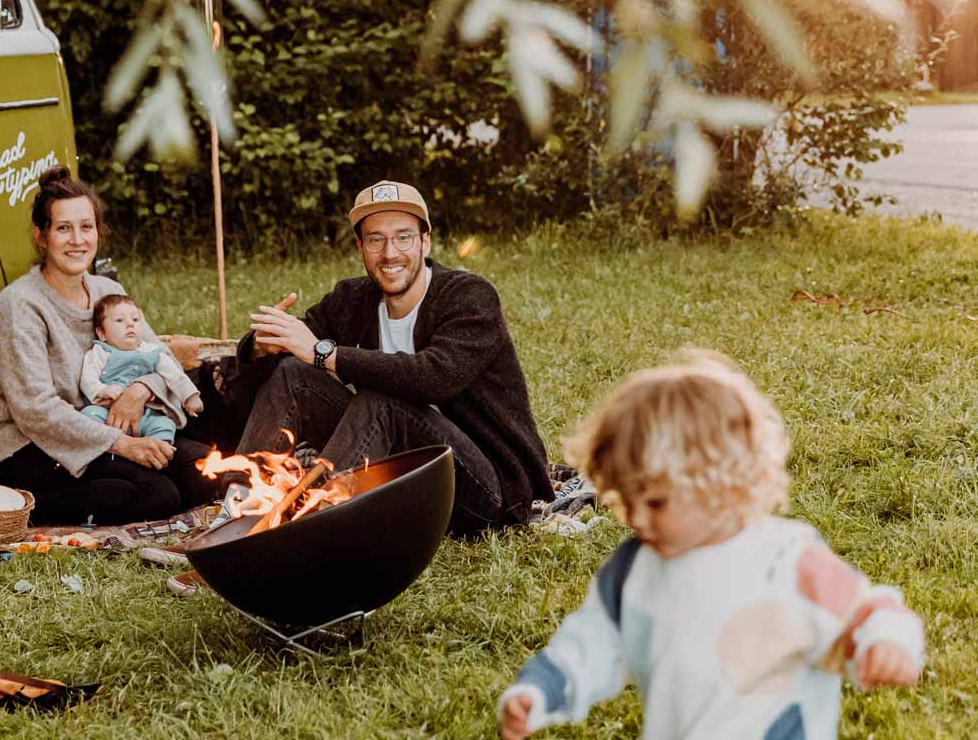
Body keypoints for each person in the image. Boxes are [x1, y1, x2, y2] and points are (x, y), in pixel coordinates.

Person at [497, 353, 924, 740]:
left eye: (656, 503)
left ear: (723, 485)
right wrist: (541, 690)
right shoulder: (634, 570)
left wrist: (885, 643)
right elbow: (592, 642)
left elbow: (869, 611)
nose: (638, 518)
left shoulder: (787, 560)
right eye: (626, 501)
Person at [232, 179, 553, 534]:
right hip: (400, 477)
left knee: (382, 400)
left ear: (425, 242)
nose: (390, 253)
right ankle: (235, 515)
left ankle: (310, 527)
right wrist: (262, 345)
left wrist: (324, 353)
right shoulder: (352, 299)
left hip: (485, 491)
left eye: (403, 237)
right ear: (360, 247)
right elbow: (293, 345)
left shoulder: (470, 296)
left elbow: (434, 378)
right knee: (293, 372)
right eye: (376, 239)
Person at [0, 166, 223, 525]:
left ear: (98, 232)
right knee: (156, 495)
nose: (77, 240)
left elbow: (159, 357)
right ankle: (27, 510)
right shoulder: (19, 305)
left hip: (114, 430)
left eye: (86, 227)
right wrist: (123, 444)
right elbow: (36, 410)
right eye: (63, 228)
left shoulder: (106, 293)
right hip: (39, 448)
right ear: (41, 236)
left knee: (207, 472)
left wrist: (141, 389)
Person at [79, 293, 204, 443]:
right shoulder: (99, 353)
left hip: (146, 414)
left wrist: (190, 396)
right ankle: (109, 446)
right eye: (120, 320)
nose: (130, 324)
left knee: (165, 423)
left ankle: (159, 447)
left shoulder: (152, 352)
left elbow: (175, 375)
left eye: (135, 319)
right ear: (102, 333)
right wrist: (102, 390)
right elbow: (87, 378)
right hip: (107, 413)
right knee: (88, 415)